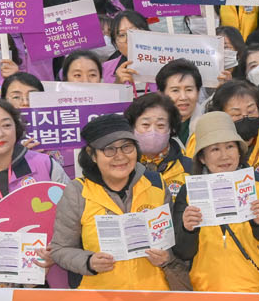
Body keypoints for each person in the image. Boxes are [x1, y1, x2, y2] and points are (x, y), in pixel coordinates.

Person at [50, 115, 172, 290]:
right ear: (92, 155)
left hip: (153, 293)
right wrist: (89, 261)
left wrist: (166, 257)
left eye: (127, 146)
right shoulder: (78, 191)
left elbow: (172, 244)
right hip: (100, 296)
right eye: (109, 149)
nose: (120, 156)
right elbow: (60, 249)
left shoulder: (156, 184)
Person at [170, 111, 259, 293]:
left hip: (255, 290)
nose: (224, 156)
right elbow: (182, 252)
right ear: (202, 157)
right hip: (205, 292)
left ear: (239, 151)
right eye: (215, 149)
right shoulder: (189, 192)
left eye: (230, 146)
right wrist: (188, 229)